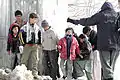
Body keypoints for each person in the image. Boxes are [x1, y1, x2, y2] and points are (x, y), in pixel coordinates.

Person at [67, 2, 118, 80]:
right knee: (110, 67)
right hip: (116, 45)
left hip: (104, 45)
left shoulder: (101, 15)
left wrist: (74, 21)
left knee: (106, 67)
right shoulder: (117, 15)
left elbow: (87, 21)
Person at [20, 13, 41, 79]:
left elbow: (40, 35)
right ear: (30, 19)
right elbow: (20, 36)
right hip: (27, 46)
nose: (35, 20)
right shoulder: (24, 27)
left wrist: (39, 43)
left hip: (35, 46)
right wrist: (23, 44)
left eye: (36, 19)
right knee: (24, 60)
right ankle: (22, 73)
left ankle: (35, 74)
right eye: (34, 19)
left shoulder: (37, 27)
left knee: (35, 60)